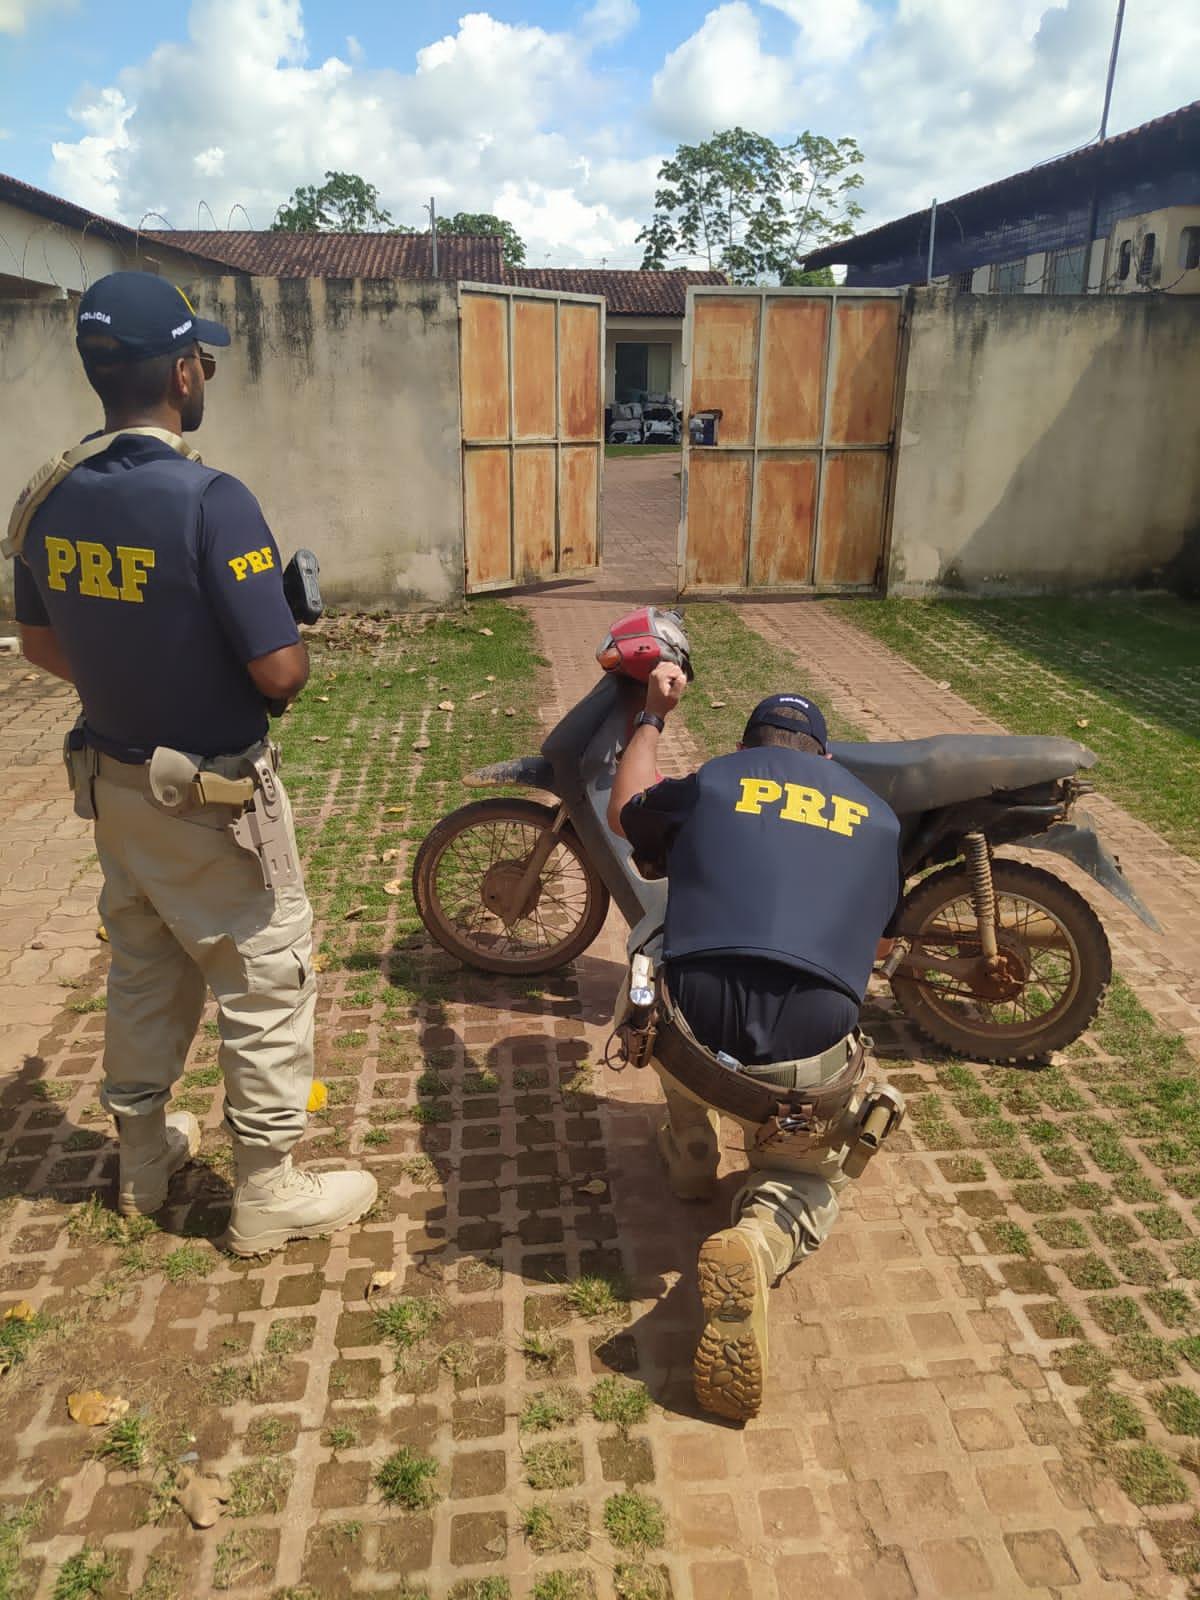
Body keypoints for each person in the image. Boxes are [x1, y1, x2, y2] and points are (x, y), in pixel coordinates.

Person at [5, 271, 376, 1256]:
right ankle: (266, 1189)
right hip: (213, 800)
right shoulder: (212, 500)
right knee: (264, 975)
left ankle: (141, 1158)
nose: (204, 371)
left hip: (115, 785)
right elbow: (279, 669)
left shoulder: (48, 496)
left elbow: (40, 646)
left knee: (144, 961)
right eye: (200, 358)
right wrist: (281, 627)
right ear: (179, 372)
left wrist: (133, 669)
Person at [608, 663, 905, 1420]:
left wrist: (652, 715)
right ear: (826, 761)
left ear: (750, 748)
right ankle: (764, 1233)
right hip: (803, 1061)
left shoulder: (716, 781)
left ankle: (691, 1148)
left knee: (658, 959)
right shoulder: (880, 820)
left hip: (689, 1036)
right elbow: (875, 950)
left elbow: (624, 814)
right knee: (811, 1176)